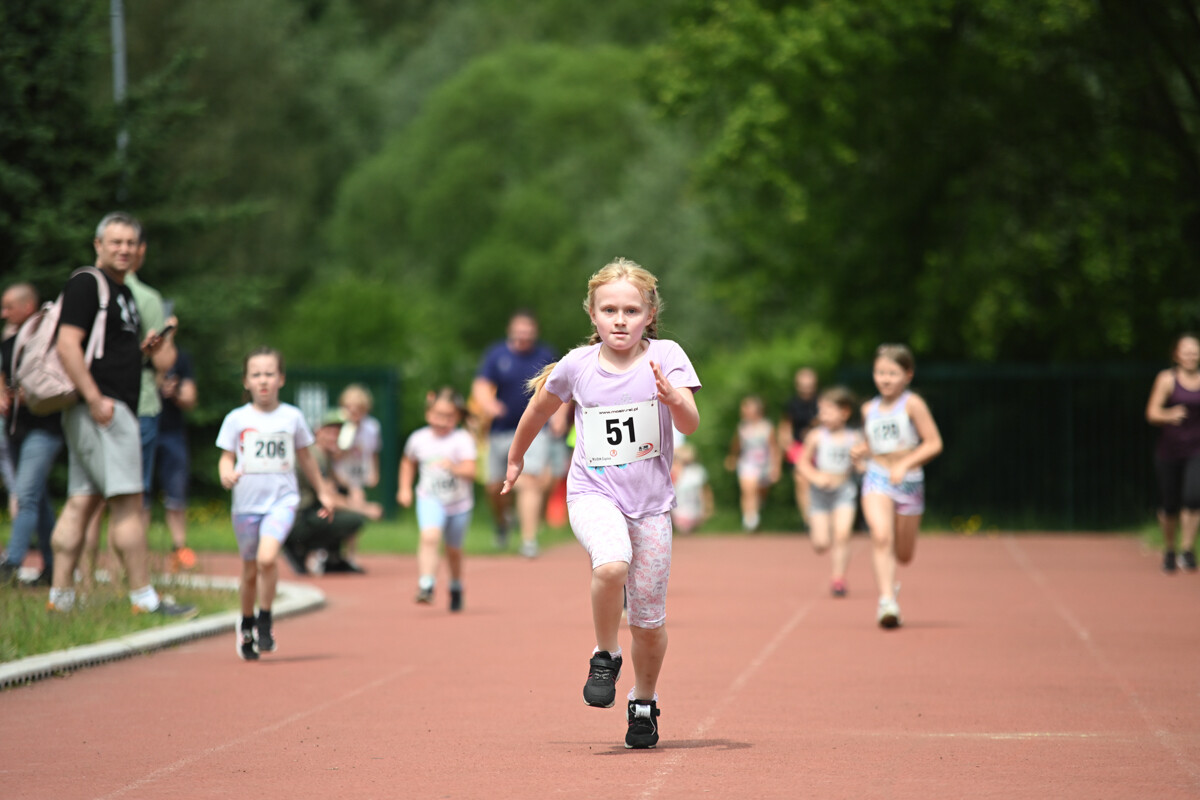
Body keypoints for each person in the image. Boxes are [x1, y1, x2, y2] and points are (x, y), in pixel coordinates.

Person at [502, 258, 701, 750]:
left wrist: (673, 398)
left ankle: (643, 702)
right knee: (611, 565)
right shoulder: (577, 365)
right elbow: (538, 410)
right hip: (593, 492)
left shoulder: (667, 356)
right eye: (609, 310)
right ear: (592, 314)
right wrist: (515, 457)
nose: (620, 320)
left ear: (649, 315)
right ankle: (605, 654)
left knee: (648, 625)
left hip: (650, 507)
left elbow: (690, 423)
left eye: (631, 311)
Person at [46, 212, 193, 617]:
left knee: (80, 502)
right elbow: (67, 345)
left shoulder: (123, 292)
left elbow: (107, 351)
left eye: (130, 243)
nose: (124, 249)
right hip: (105, 411)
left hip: (102, 409)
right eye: (115, 242)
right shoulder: (86, 284)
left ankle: (60, 600)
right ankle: (144, 599)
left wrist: (144, 352)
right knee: (129, 503)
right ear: (98, 245)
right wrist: (95, 398)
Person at [217, 346, 334, 660]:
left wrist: (323, 491)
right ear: (246, 381)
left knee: (267, 559)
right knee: (249, 570)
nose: (263, 380)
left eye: (269, 374)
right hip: (246, 506)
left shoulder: (292, 417)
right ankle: (246, 623)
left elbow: (306, 458)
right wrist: (226, 473)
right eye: (256, 375)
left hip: (282, 501)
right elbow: (226, 457)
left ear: (281, 378)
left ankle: (265, 618)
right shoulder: (236, 419)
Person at [80, 228, 177, 586]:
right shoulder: (145, 297)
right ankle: (123, 579)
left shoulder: (84, 287)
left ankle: (84, 580)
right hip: (137, 405)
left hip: (88, 402)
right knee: (130, 499)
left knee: (87, 497)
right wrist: (169, 336)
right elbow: (163, 361)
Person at [852, 344, 943, 629]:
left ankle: (891, 585)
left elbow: (934, 443)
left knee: (904, 555)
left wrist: (906, 464)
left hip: (909, 482)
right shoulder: (868, 408)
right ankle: (887, 601)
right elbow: (874, 443)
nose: (885, 379)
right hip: (877, 476)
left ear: (908, 375)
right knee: (881, 536)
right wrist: (861, 451)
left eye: (892, 373)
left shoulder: (913, 404)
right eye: (880, 372)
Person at [472, 310, 566, 557]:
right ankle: (502, 523)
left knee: (529, 481)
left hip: (536, 431)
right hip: (500, 431)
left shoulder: (545, 354)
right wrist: (488, 404)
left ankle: (528, 540)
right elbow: (481, 385)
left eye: (528, 330)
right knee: (495, 487)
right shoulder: (497, 355)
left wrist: (558, 417)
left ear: (534, 332)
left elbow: (560, 388)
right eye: (519, 330)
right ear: (511, 331)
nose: (523, 335)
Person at [0, 282, 63, 585]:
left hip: (44, 427)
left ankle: (11, 564)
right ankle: (52, 567)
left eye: (8, 307)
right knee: (38, 499)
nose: (3, 313)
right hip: (16, 428)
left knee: (25, 495)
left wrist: (32, 394)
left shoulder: (47, 336)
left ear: (28, 306)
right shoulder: (10, 339)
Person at [397, 387, 477, 612]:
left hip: (459, 504)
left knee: (453, 551)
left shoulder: (462, 440)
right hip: (430, 498)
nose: (442, 421)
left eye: (449, 416)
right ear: (428, 414)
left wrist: (454, 467)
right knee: (429, 537)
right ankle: (426, 584)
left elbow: (471, 470)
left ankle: (456, 586)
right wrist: (404, 489)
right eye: (438, 415)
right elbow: (407, 463)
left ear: (458, 416)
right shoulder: (418, 439)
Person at [282, 411, 372, 576]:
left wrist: (354, 489)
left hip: (305, 512)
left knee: (342, 507)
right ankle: (299, 548)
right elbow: (329, 496)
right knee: (353, 519)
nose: (334, 436)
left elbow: (338, 482)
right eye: (329, 431)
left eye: (338, 432)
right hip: (297, 517)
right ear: (317, 432)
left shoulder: (324, 455)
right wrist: (364, 509)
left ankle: (332, 558)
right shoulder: (314, 456)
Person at [795, 386, 864, 597]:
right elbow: (802, 463)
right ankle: (817, 533)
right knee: (821, 543)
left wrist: (861, 466)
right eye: (821, 411)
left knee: (842, 535)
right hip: (819, 495)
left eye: (828, 411)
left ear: (845, 412)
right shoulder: (816, 436)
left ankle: (838, 578)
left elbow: (861, 464)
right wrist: (815, 476)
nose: (823, 416)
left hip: (844, 492)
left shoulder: (855, 437)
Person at [1144, 333, 1200, 573]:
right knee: (1169, 505)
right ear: (1177, 354)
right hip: (1169, 451)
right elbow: (1152, 413)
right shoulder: (1167, 379)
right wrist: (1169, 415)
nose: (1191, 355)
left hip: (1197, 449)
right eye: (1186, 351)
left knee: (1193, 498)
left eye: (1195, 351)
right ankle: (1169, 549)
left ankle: (1187, 550)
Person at [156, 346, 198, 571]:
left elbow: (190, 399)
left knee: (176, 493)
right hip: (141, 429)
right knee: (137, 495)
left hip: (172, 432)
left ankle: (179, 548)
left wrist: (174, 393)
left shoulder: (181, 358)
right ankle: (136, 553)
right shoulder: (135, 353)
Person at [331, 383, 380, 570]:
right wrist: (347, 437)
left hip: (358, 474)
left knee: (356, 511)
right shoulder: (339, 425)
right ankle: (332, 552)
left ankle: (351, 553)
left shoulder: (372, 427)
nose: (353, 412)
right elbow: (334, 455)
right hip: (340, 474)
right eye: (349, 407)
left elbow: (373, 452)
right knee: (351, 509)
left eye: (358, 408)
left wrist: (374, 472)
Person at [724, 394, 780, 531]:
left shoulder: (767, 427)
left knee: (759, 491)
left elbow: (774, 448)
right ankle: (750, 519)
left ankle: (755, 510)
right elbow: (736, 445)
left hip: (764, 464)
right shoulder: (742, 427)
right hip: (747, 462)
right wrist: (732, 457)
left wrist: (776, 467)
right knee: (748, 489)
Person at [779, 367, 819, 527]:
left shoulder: (822, 402)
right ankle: (808, 520)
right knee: (801, 480)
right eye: (803, 385)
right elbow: (785, 425)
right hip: (799, 448)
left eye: (809, 385)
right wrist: (787, 445)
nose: (806, 389)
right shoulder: (792, 404)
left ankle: (821, 515)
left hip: (819, 448)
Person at [670, 443, 712, 535]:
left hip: (695, 510)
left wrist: (708, 508)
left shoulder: (698, 471)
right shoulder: (676, 470)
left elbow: (705, 491)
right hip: (679, 511)